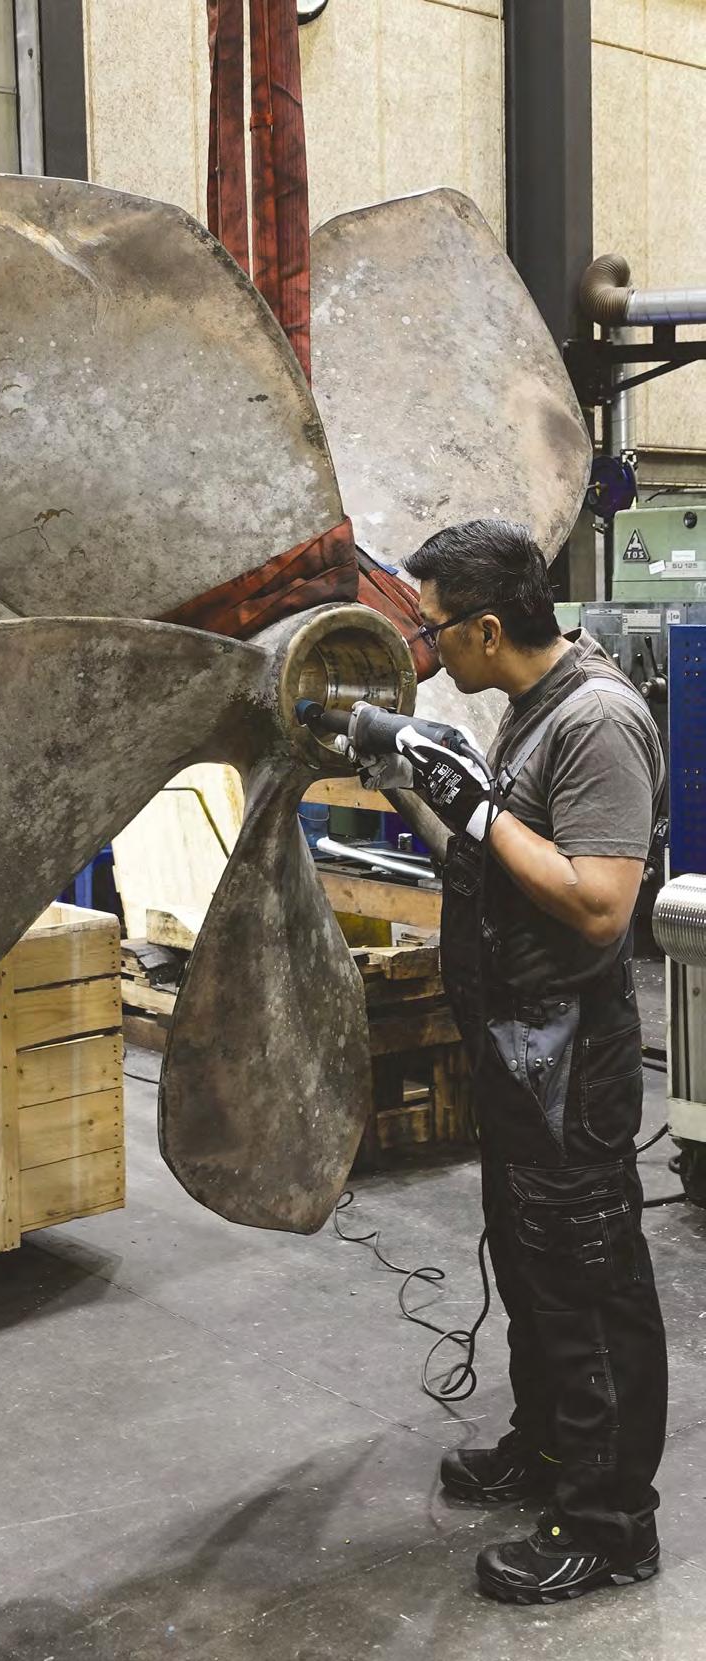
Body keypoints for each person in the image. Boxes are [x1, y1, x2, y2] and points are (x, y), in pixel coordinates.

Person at [382, 519, 667, 1604]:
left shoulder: (596, 720)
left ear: (488, 627)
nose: (427, 648)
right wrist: (411, 784)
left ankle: (609, 1521)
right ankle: (548, 1446)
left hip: (570, 1057)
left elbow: (598, 906)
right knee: (528, 1252)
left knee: (585, 1273)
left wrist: (482, 804)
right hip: (516, 1046)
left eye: (433, 629)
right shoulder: (529, 706)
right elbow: (493, 861)